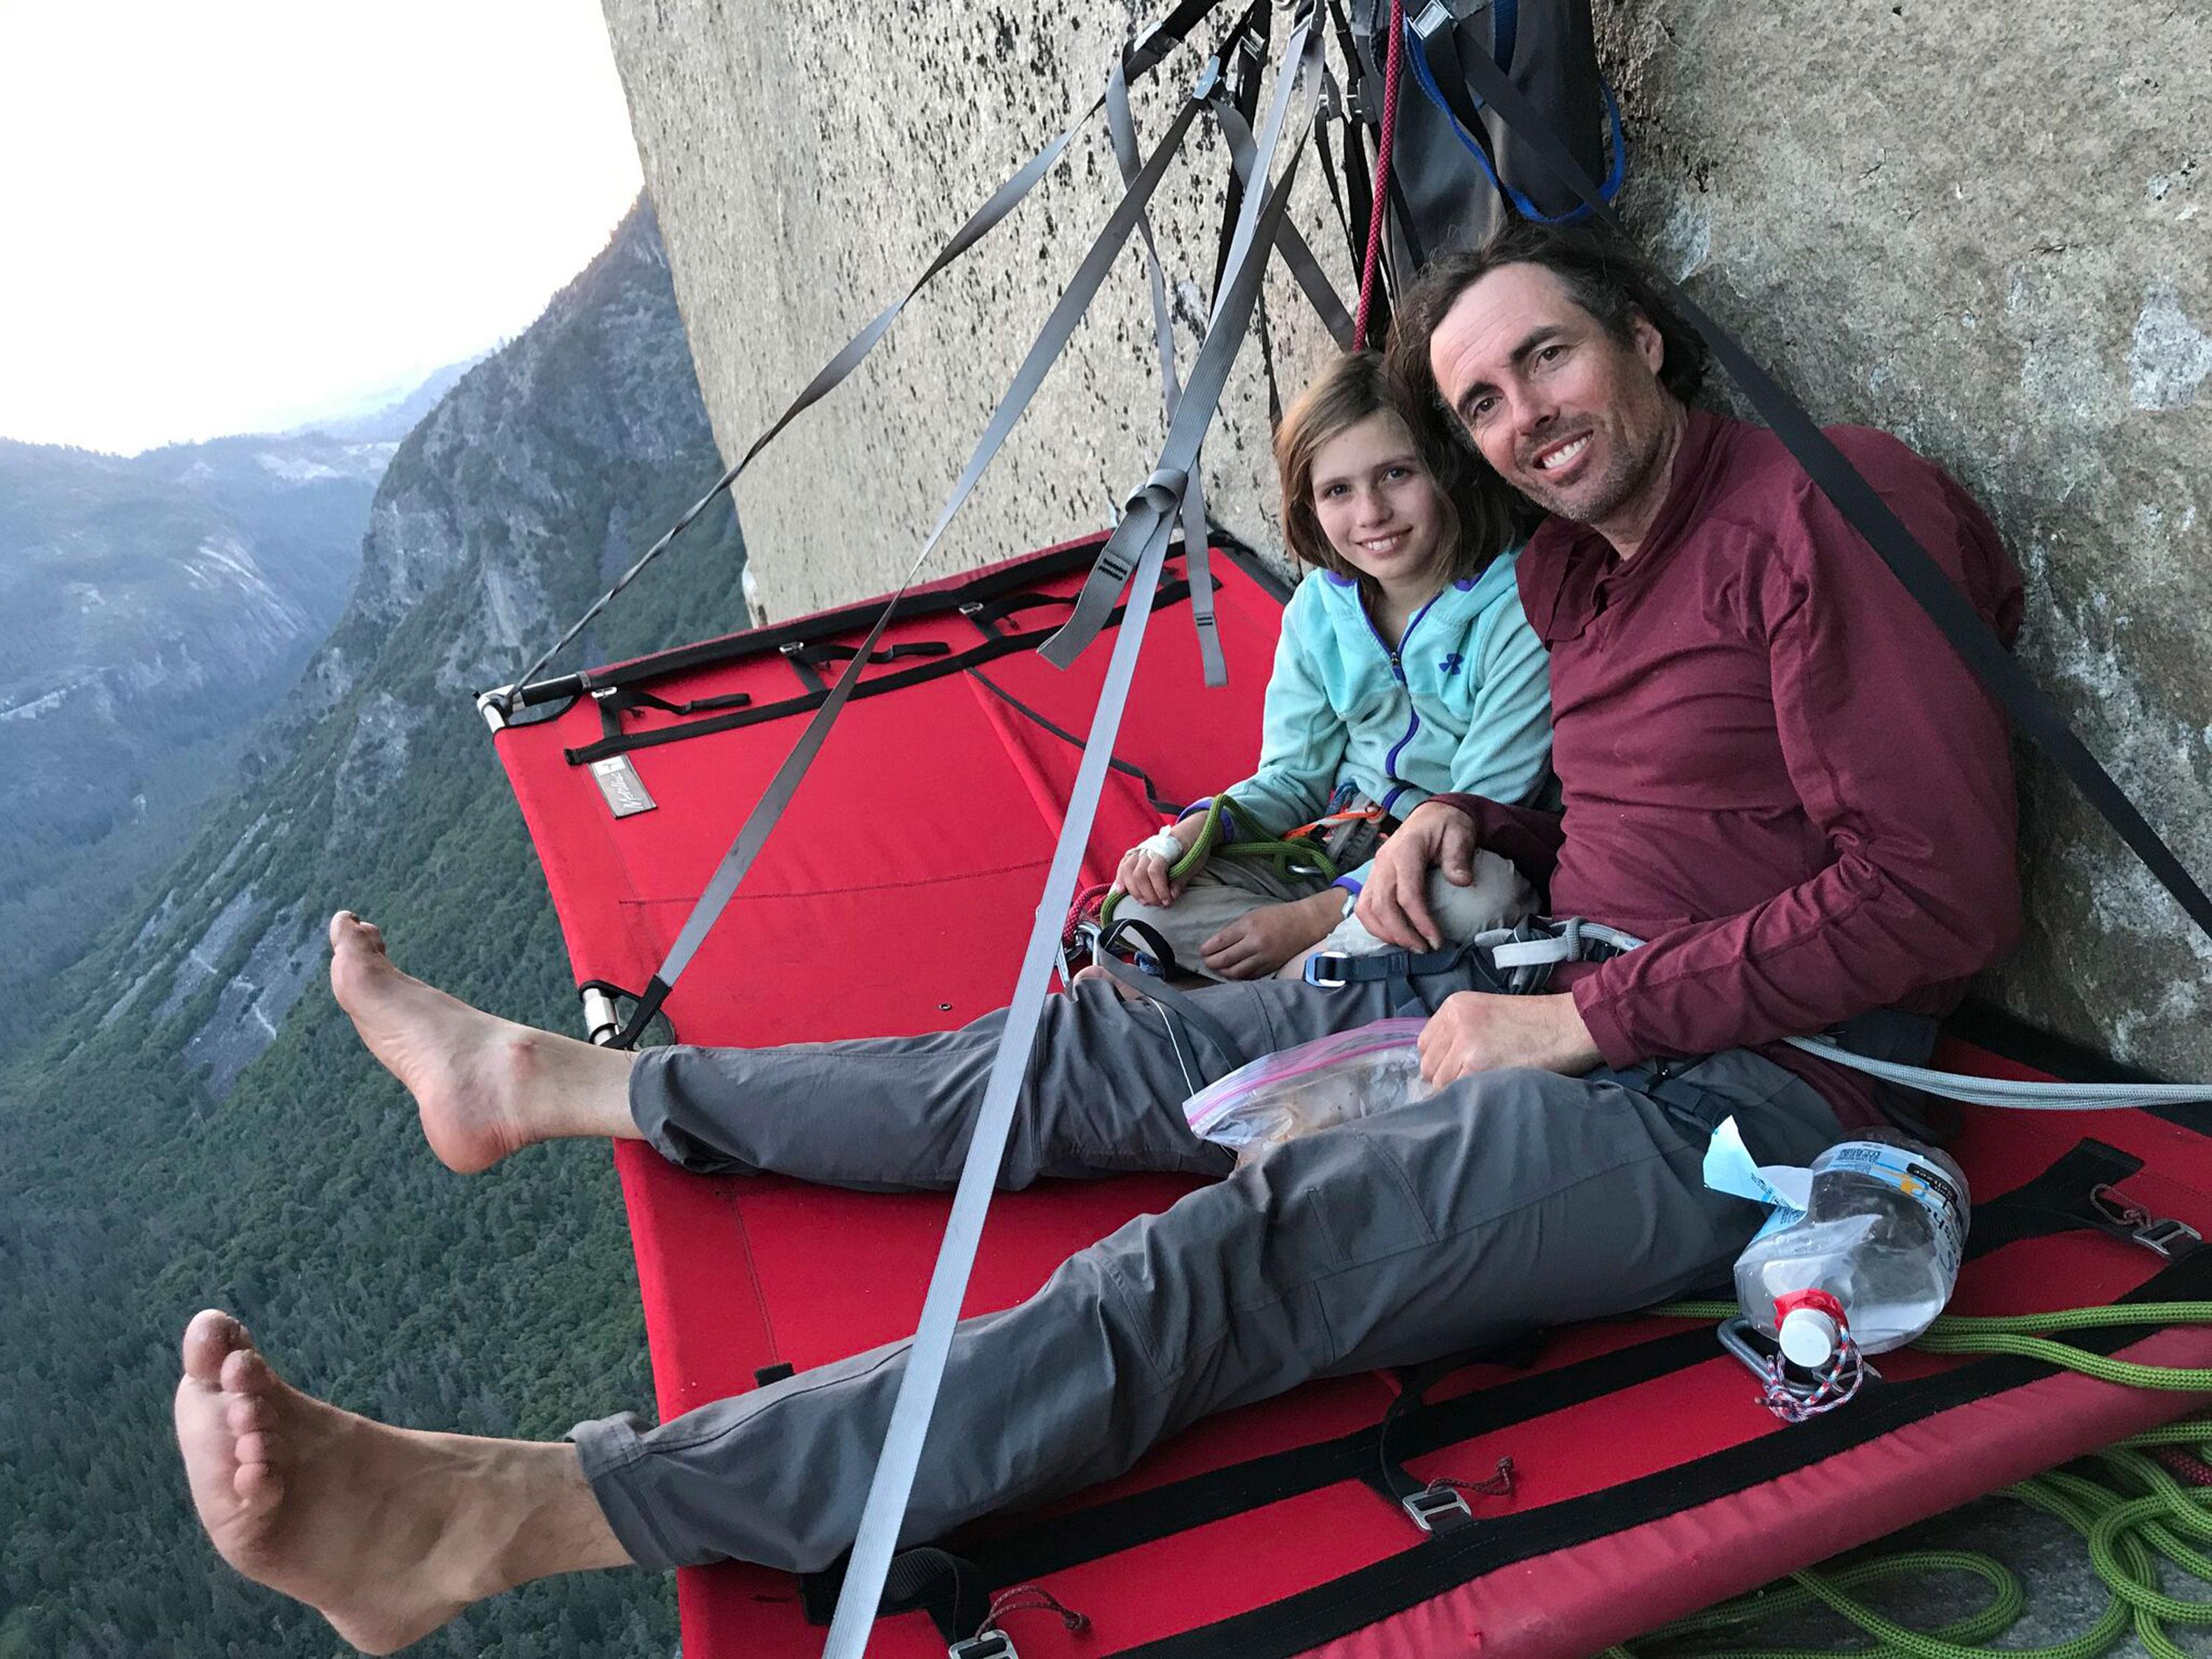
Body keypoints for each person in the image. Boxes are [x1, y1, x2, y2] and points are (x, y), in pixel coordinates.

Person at [173, 218, 2024, 1656]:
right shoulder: (1568, 571)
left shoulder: (1825, 511)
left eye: (1544, 355)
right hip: (1540, 973)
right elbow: (1653, 806)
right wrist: (1484, 824)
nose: (1520, 418)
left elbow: (1927, 898)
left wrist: (1585, 1019)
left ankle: (509, 1518)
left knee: (1212, 1263)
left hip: (1745, 1095)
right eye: (1477, 399)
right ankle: (570, 1084)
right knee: (1082, 1053)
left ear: (1636, 338)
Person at [1105, 348, 1551, 982]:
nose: (1371, 514)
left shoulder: (1518, 604)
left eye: (1397, 474)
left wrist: (1314, 918)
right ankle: (1313, 984)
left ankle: (1276, 991)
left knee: (1488, 897)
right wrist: (1200, 828)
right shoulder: (1318, 610)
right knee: (1144, 910)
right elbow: (1294, 778)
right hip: (1332, 846)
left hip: (1449, 851)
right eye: (1338, 490)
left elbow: (1483, 804)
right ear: (1308, 505)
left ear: (1447, 469)